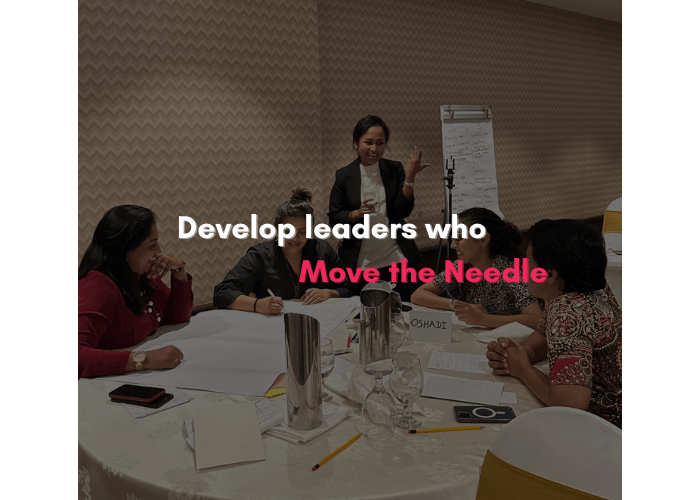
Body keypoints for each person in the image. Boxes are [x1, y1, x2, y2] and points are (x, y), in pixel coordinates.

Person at [486, 219, 622, 427]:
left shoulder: (569, 311)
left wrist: (522, 368)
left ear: (549, 275)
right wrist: (523, 352)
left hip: (610, 428)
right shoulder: (588, 288)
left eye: (528, 264)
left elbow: (570, 403)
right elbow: (545, 333)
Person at [78, 205, 193, 378]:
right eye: (152, 245)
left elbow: (177, 316)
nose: (159, 252)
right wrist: (144, 359)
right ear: (124, 250)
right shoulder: (97, 287)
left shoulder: (140, 274)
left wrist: (178, 269)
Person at [328, 115, 429, 301]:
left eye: (380, 143)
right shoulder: (344, 175)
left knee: (401, 310)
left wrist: (410, 177)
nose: (374, 149)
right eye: (368, 142)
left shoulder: (394, 168)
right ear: (356, 143)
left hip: (395, 257)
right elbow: (334, 218)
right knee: (364, 312)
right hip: (361, 262)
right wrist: (356, 213)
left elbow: (403, 211)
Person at [214, 188, 353, 314]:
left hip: (319, 321)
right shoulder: (260, 256)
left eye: (302, 232)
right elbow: (222, 293)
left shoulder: (322, 251)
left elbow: (348, 288)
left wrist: (328, 293)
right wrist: (258, 305)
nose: (294, 238)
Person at [411, 207, 541, 329]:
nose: (452, 245)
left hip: (508, 341)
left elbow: (536, 318)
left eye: (459, 238)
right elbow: (418, 295)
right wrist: (456, 305)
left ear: (483, 240)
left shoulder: (509, 270)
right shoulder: (461, 266)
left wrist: (482, 319)